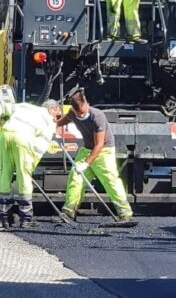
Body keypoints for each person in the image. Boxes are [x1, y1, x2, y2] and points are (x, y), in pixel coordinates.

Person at [57, 91, 133, 222]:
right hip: (87, 150)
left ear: (87, 104)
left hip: (104, 150)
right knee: (75, 178)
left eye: (84, 111)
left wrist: (85, 164)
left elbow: (99, 145)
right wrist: (52, 124)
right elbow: (61, 121)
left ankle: (125, 213)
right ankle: (69, 211)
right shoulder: (72, 113)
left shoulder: (97, 116)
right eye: (79, 113)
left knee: (110, 180)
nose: (82, 115)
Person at [0, 100, 61, 228]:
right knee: (24, 179)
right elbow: (40, 146)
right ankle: (25, 219)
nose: (56, 119)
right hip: (22, 141)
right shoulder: (48, 122)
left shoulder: (25, 107)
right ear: (52, 109)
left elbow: (1, 107)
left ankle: (4, 217)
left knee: (4, 178)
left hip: (5, 135)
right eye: (57, 115)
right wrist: (31, 164)